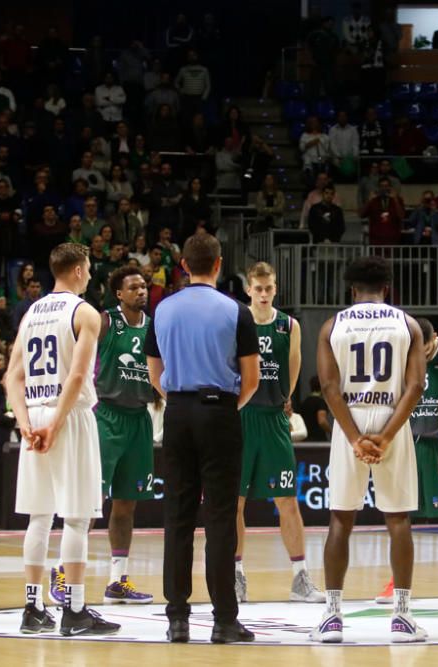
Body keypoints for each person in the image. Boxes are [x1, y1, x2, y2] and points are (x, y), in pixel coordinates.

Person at [144, 233, 259, 644]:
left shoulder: (162, 310)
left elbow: (154, 373)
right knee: (220, 519)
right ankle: (225, 620)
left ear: (183, 266)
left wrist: (177, 398)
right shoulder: (236, 310)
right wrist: (226, 406)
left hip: (176, 411)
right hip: (220, 411)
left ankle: (177, 619)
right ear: (218, 264)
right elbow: (252, 379)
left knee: (177, 516)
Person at [5, 243, 120, 637]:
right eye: (87, 268)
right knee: (76, 516)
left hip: (35, 415)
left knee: (39, 517)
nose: (90, 275)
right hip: (67, 416)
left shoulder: (31, 312)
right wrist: (54, 424)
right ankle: (74, 610)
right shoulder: (84, 312)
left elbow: (12, 377)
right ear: (76, 270)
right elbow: (76, 376)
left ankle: (33, 607)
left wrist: (25, 424)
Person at [311, 256, 427, 643]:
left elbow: (328, 388)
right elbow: (415, 387)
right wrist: (388, 436)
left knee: (341, 520)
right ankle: (402, 617)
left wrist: (354, 437)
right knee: (398, 520)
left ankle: (331, 616)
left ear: (351, 289)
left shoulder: (333, 325)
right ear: (387, 289)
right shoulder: (407, 324)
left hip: (351, 420)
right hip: (392, 416)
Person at [61, 265, 156, 606]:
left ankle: (118, 578)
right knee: (91, 500)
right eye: (134, 287)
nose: (141, 292)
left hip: (139, 419)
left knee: (126, 504)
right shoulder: (104, 321)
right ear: (119, 293)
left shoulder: (152, 327)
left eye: (144, 286)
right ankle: (63, 572)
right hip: (106, 416)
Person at [234, 262, 324, 604]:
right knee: (235, 503)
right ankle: (236, 576)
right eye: (257, 288)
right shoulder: (237, 321)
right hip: (242, 417)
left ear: (275, 288)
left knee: (287, 500)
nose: (263, 294)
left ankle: (301, 578)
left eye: (268, 288)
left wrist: (286, 397)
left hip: (273, 419)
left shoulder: (289, 325)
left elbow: (295, 364)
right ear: (248, 289)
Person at [375, 317, 438, 605]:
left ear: (435, 339)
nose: (423, 354)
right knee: (402, 513)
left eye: (427, 348)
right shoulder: (403, 356)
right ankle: (398, 580)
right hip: (410, 443)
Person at [299, 375, 331, 441]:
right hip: (318, 439)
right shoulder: (320, 402)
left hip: (306, 439)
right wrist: (331, 430)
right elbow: (322, 421)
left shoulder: (305, 402)